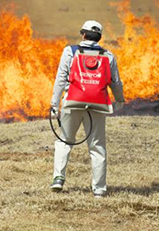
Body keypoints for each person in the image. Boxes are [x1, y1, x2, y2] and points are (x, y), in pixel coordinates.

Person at [50, 20, 125, 197]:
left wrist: (54, 104)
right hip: (98, 105)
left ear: (83, 34)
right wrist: (120, 100)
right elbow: (115, 82)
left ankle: (58, 178)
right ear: (99, 38)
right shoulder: (109, 56)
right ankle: (99, 189)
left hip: (72, 102)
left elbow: (61, 79)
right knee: (97, 146)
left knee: (65, 140)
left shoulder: (70, 51)